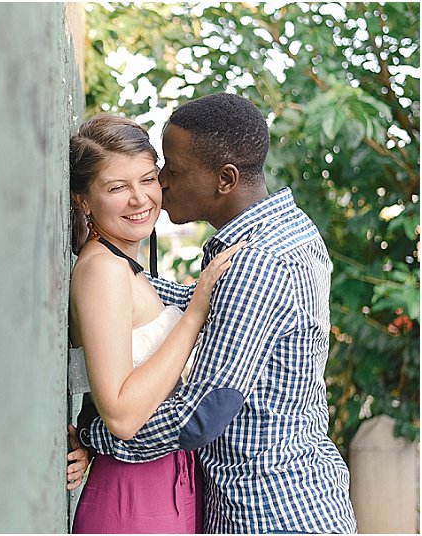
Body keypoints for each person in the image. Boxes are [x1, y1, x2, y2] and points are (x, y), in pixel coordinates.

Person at [71, 93, 358, 533]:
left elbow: (199, 415)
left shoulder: (257, 261)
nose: (160, 183)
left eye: (171, 169)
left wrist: (92, 434)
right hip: (283, 496)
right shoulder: (284, 231)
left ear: (225, 179)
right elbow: (181, 303)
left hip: (269, 512)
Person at [64, 114, 244, 533]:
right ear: (83, 200)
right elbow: (123, 416)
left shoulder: (125, 264)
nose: (140, 199)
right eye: (117, 188)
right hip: (135, 498)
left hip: (167, 482)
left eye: (147, 179)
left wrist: (88, 440)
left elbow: (117, 368)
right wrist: (197, 311)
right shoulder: (102, 271)